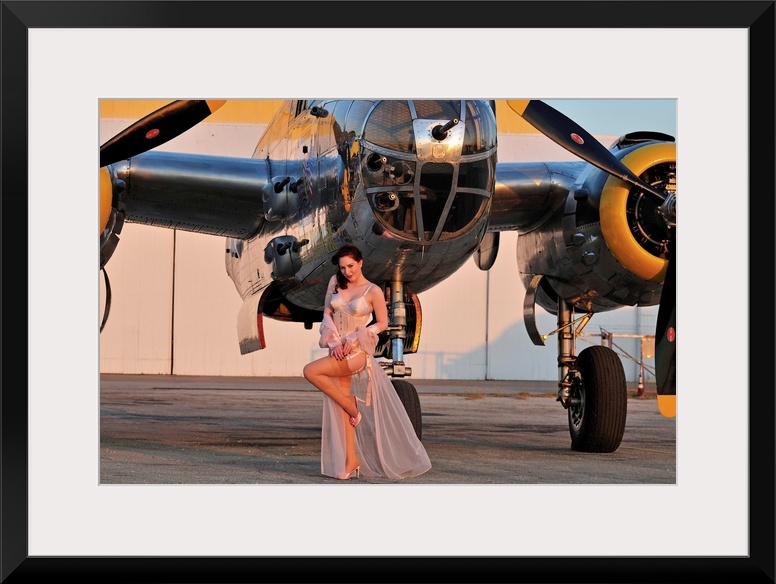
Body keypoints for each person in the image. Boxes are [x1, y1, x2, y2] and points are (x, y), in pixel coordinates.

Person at [303, 244, 432, 480]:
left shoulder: (372, 291)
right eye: (342, 267)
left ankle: (354, 407)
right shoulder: (335, 282)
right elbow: (327, 314)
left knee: (310, 371)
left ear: (360, 262)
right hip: (337, 351)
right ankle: (350, 461)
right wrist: (333, 343)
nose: (347, 271)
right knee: (340, 407)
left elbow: (382, 323)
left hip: (357, 353)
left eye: (350, 266)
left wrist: (353, 340)